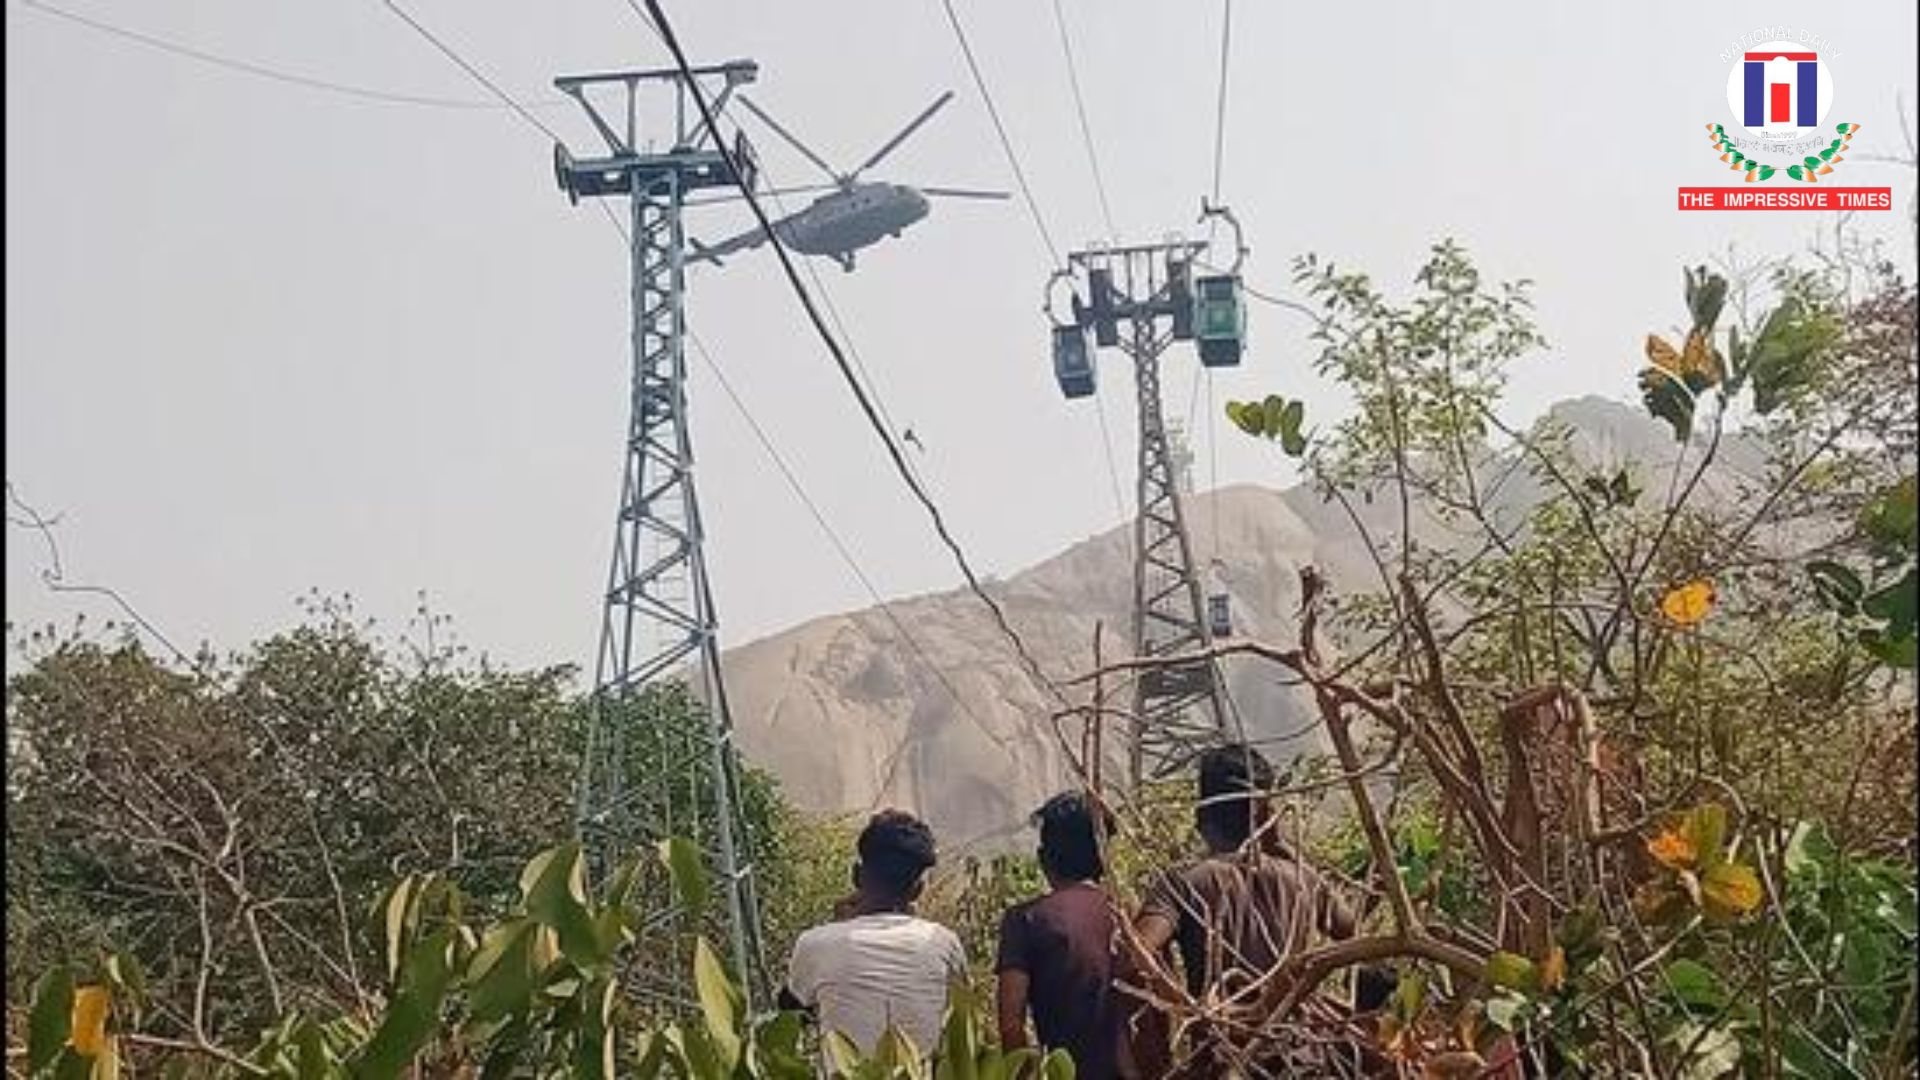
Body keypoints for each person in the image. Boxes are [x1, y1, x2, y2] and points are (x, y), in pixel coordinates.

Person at [1127, 744, 1359, 1073]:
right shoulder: (1300, 878)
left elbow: (1138, 953)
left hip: (1222, 1060)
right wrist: (1280, 845)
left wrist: (1191, 1011)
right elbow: (1347, 926)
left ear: (1201, 815)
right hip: (1302, 1060)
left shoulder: (1185, 883)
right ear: (1266, 814)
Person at [781, 809, 968, 1060]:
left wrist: (838, 926)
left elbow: (790, 1017)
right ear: (917, 890)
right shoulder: (944, 944)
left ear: (856, 875)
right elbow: (961, 1015)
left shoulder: (815, 944)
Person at [994, 792, 1132, 1079]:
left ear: (1044, 858)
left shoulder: (1026, 920)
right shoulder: (1132, 916)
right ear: (1104, 859)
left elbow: (1011, 1024)